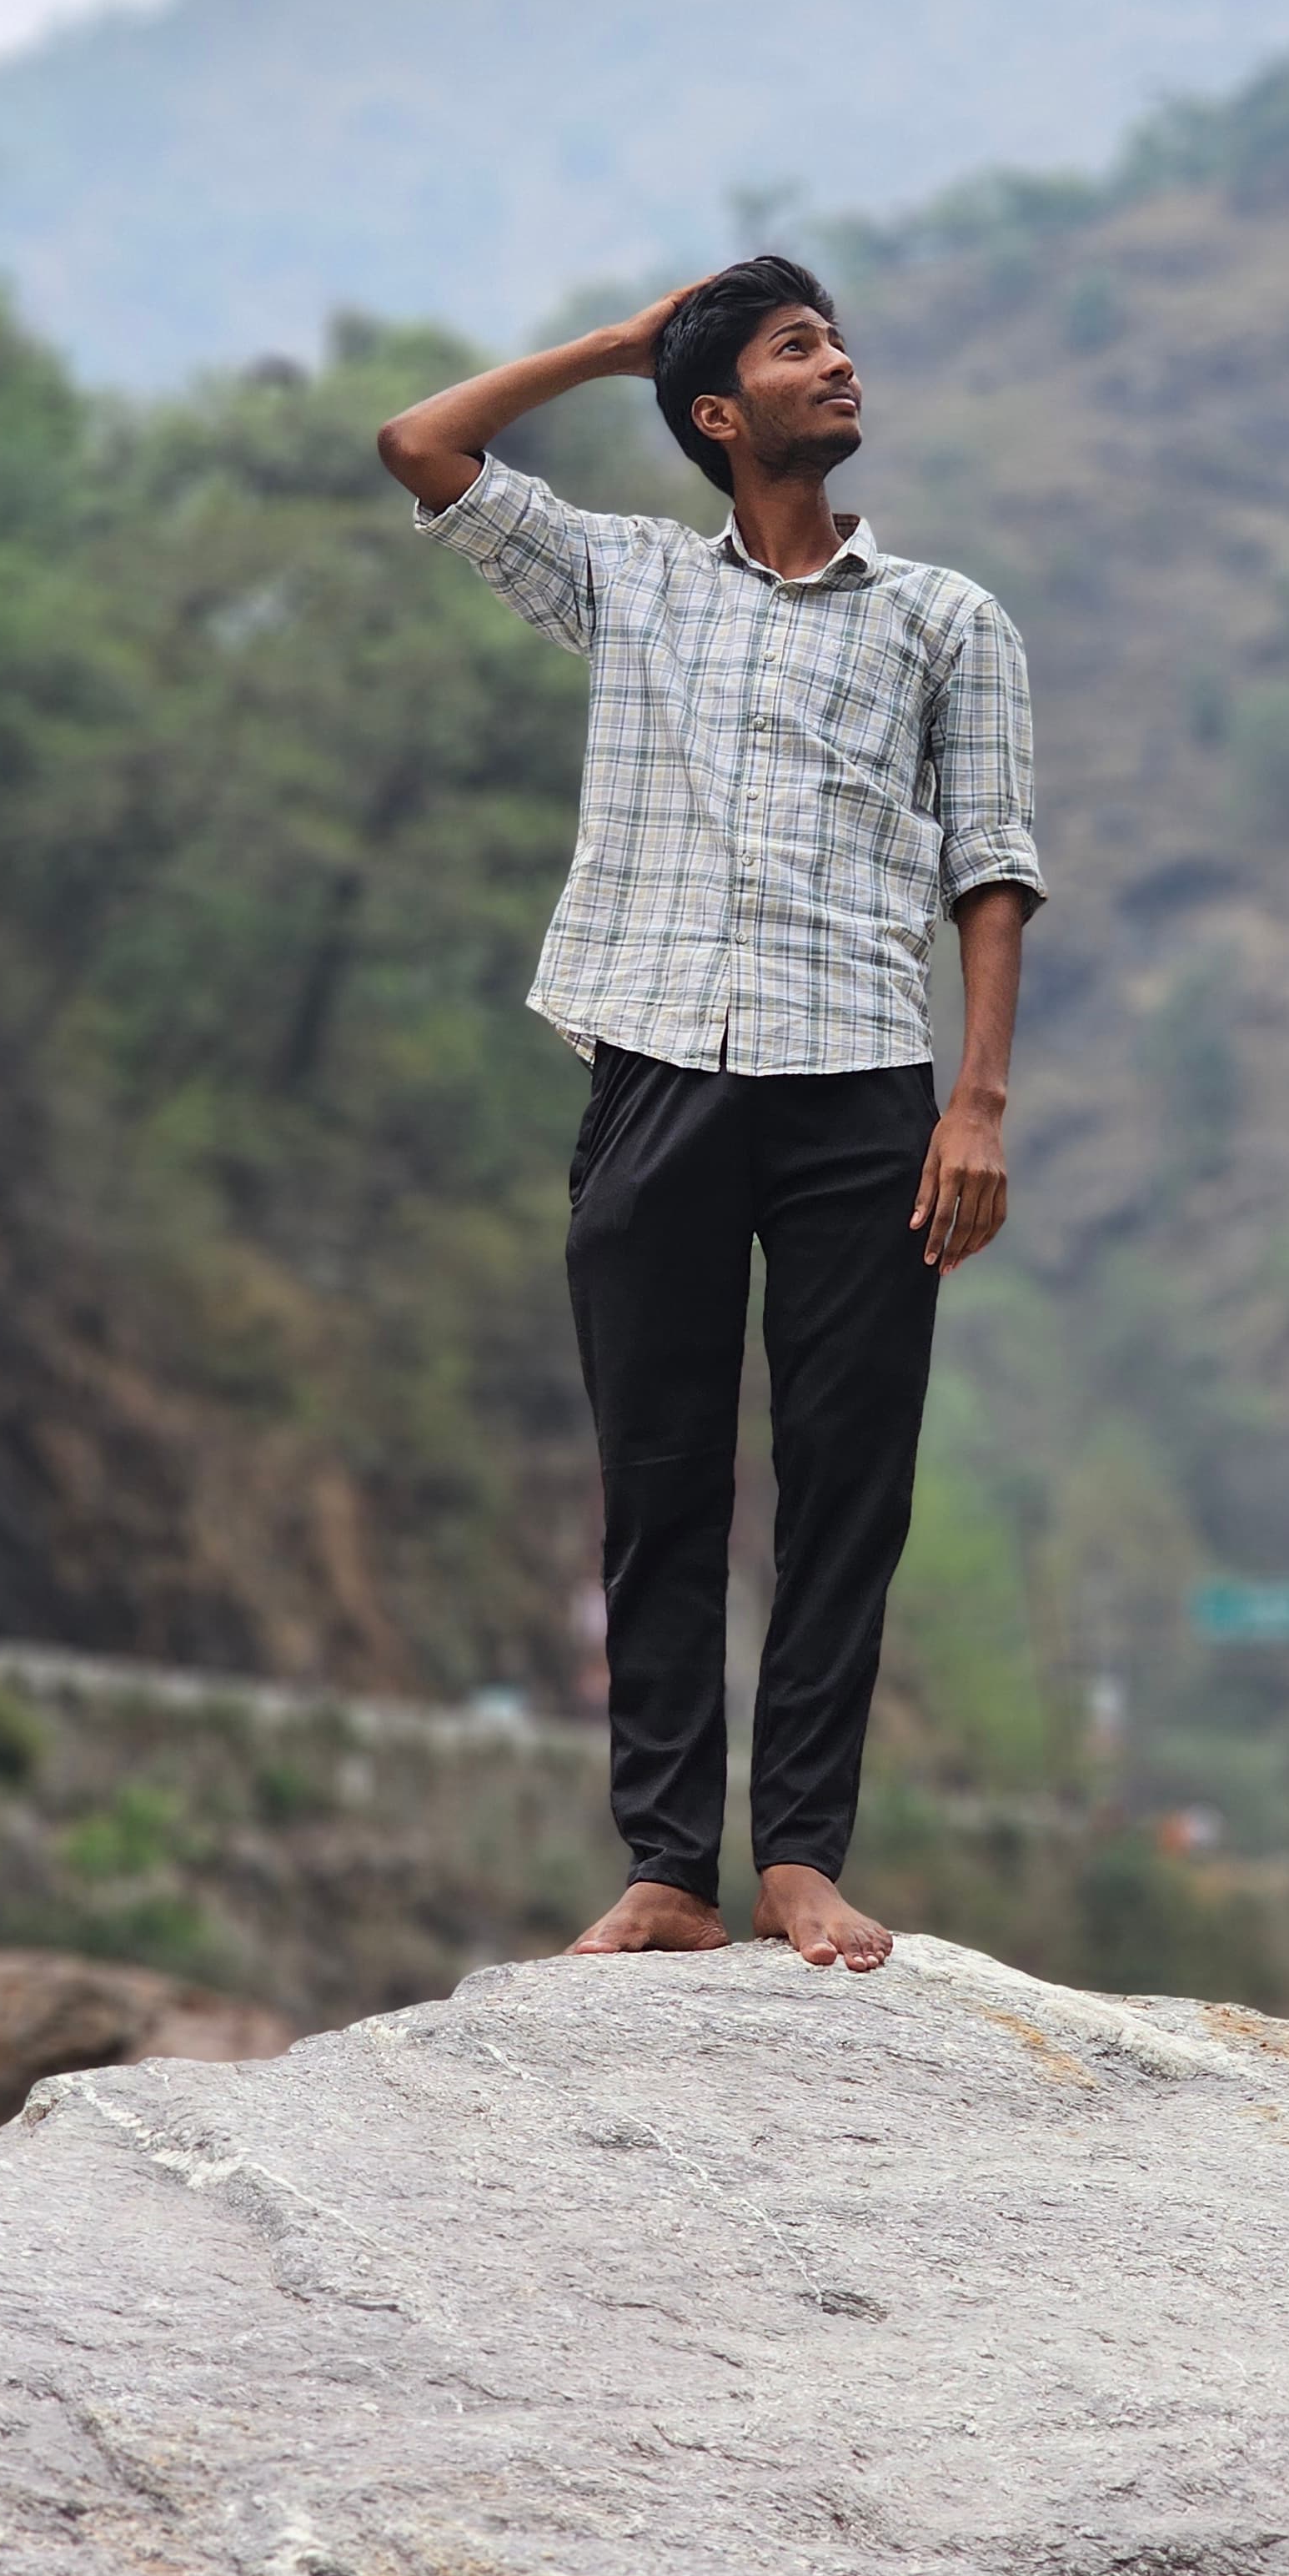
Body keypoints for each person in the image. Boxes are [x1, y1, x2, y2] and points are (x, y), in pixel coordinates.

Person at [377, 257, 1043, 1971]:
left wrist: (974, 1103)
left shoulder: (945, 616)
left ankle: (800, 1856)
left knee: (845, 1480)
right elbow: (418, 442)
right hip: (654, 1067)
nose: (838, 364)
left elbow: (992, 868)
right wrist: (620, 344)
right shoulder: (631, 580)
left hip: (861, 1090)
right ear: (716, 417)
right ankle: (668, 1865)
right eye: (791, 346)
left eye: (834, 339)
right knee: (658, 1479)